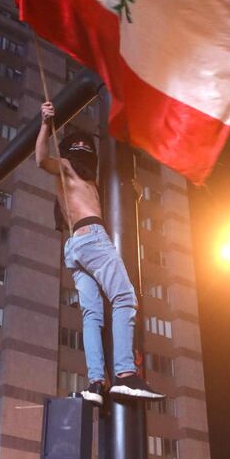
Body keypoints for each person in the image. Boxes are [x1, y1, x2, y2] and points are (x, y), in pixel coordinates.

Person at [36, 102, 164, 407]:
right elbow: (41, 159)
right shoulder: (65, 169)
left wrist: (130, 191)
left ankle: (96, 381)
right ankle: (124, 374)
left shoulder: (85, 182)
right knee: (124, 298)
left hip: (75, 247)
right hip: (91, 237)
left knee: (92, 315)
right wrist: (44, 123)